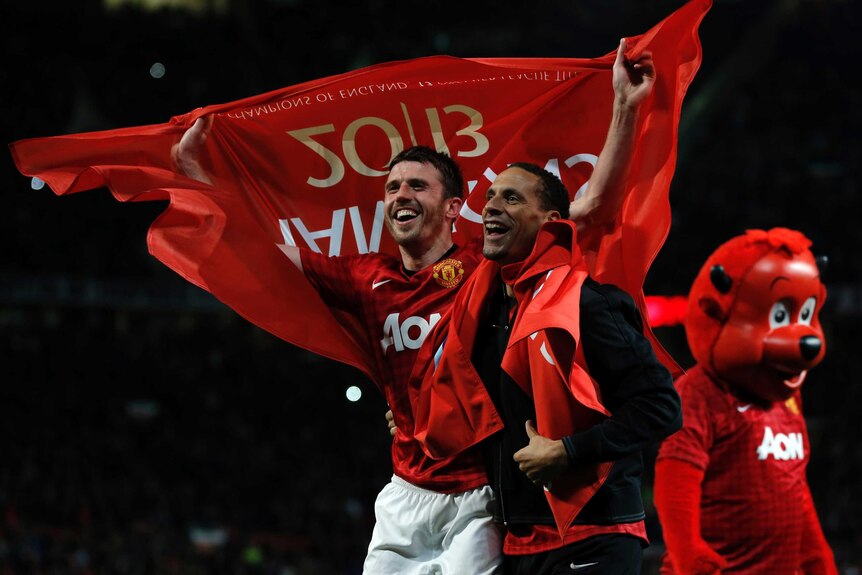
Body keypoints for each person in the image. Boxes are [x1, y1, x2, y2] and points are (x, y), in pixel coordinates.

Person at [174, 39, 657, 575]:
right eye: (392, 186)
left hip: (481, 496)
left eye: (417, 186)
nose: (400, 194)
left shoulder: (488, 265)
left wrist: (624, 107)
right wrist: (204, 183)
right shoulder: (365, 275)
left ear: (453, 207)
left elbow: (586, 212)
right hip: (406, 489)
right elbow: (268, 255)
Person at [410, 163, 682, 574]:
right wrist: (415, 415)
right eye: (490, 197)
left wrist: (568, 451)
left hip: (594, 534)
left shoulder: (588, 304)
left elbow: (661, 406)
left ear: (551, 223)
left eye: (512, 198)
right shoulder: (481, 311)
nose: (491, 207)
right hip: (518, 542)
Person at [653, 228, 837, 574]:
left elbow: (796, 490)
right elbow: (675, 479)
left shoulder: (787, 394)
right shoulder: (700, 391)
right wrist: (688, 554)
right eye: (780, 317)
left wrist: (817, 559)